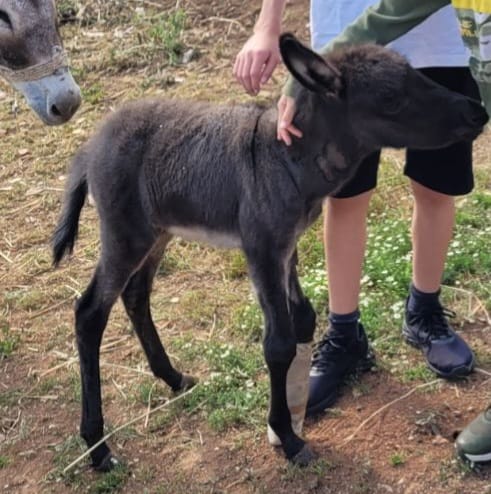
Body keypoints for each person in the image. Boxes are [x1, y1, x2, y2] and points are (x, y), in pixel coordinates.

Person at [234, 0, 491, 463]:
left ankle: (425, 312)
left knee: (436, 186)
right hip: (347, 51)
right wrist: (268, 23)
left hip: (447, 39)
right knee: (345, 196)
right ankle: (345, 332)